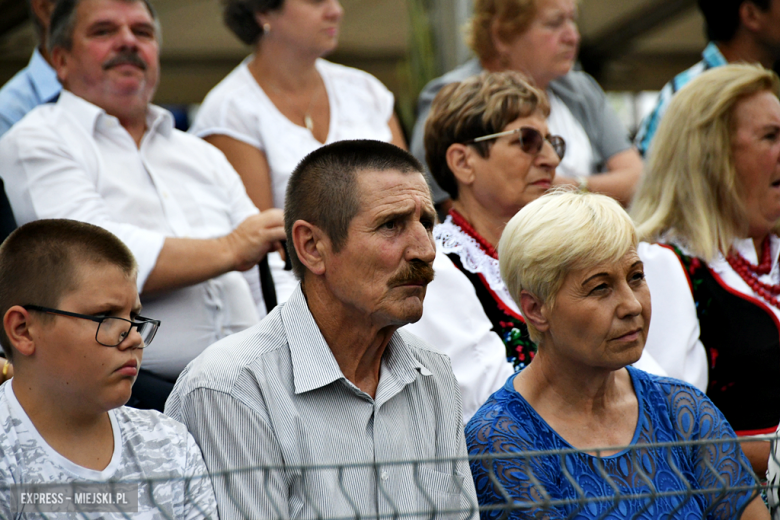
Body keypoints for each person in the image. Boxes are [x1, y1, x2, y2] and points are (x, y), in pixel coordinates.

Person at [166, 140, 478, 520]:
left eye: (426, 223)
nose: (425, 250)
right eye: (391, 225)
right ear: (312, 246)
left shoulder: (432, 374)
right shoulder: (233, 387)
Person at [0, 0, 286, 412]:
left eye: (143, 32)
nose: (128, 42)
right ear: (59, 59)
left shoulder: (198, 153)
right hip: (134, 398)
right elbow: (92, 264)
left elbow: (266, 272)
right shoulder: (37, 139)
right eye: (103, 31)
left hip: (254, 385)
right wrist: (232, 248)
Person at [467, 189, 767, 519]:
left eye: (636, 277)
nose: (632, 305)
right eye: (600, 287)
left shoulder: (681, 411)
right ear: (535, 308)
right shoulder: (504, 440)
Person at [405, 71, 662, 420]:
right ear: (463, 162)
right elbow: (486, 406)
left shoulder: (569, 258)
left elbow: (649, 382)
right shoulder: (439, 271)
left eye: (552, 143)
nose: (551, 160)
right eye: (526, 141)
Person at [188, 0, 406, 304]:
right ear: (263, 11)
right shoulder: (230, 111)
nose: (336, 10)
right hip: (304, 296)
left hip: (401, 269)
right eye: (316, 1)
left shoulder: (366, 90)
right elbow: (263, 253)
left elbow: (412, 203)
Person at [0, 219, 217, 519]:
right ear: (23, 330)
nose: (135, 338)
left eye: (135, 318)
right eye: (103, 316)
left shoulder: (169, 443)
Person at [631, 63, 780, 474]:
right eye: (770, 137)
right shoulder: (662, 267)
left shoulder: (771, 253)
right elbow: (666, 436)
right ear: (711, 156)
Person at [411, 0, 643, 207]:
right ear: (502, 35)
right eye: (554, 23)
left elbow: (637, 180)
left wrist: (568, 187)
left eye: (572, 20)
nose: (573, 36)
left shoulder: (580, 89)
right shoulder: (451, 97)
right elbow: (453, 206)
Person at [635, 0, 780, 156]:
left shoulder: (768, 87)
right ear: (751, 15)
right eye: (770, 136)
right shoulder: (688, 97)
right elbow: (648, 177)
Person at [0, 0, 61, 138]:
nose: (121, 40)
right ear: (45, 9)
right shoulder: (8, 113)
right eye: (102, 30)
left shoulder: (110, 92)